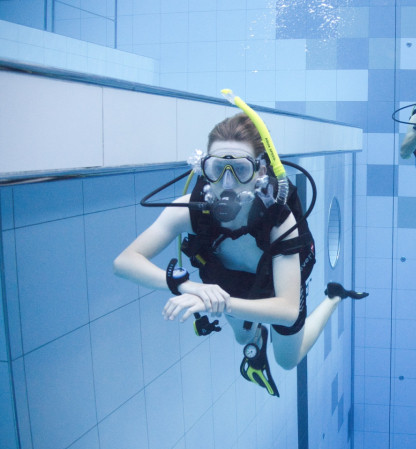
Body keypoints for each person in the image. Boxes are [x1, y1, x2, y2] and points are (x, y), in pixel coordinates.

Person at [114, 112, 367, 397]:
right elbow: (124, 262)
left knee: (287, 361)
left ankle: (334, 297)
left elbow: (286, 311)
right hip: (228, 284)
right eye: (217, 168)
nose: (227, 182)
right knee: (243, 337)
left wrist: (216, 303)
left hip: (278, 286)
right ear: (203, 167)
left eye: (240, 170)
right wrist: (189, 287)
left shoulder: (278, 218)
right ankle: (256, 340)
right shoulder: (191, 211)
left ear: (260, 171)